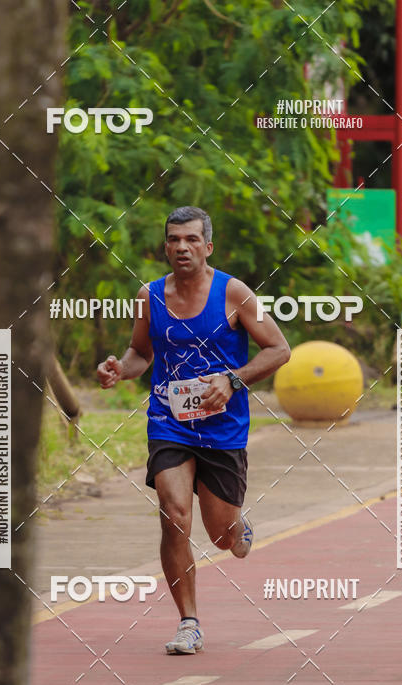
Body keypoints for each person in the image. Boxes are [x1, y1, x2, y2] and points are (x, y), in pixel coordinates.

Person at [97, 206, 290, 654]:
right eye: (173, 239)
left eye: (190, 239)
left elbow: (279, 349)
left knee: (222, 537)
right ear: (165, 247)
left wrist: (233, 379)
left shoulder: (234, 293)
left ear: (208, 246)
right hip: (170, 423)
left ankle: (236, 527)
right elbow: (140, 354)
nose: (181, 247)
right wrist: (119, 369)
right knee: (174, 513)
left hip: (223, 428)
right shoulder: (148, 296)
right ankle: (189, 622)